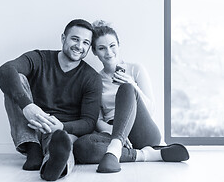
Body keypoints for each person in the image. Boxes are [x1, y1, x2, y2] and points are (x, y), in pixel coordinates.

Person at [73, 21, 189, 173]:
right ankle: (147, 154)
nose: (109, 52)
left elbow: (151, 110)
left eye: (112, 46)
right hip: (113, 132)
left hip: (142, 129)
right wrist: (118, 134)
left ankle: (114, 149)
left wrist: (133, 85)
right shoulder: (95, 80)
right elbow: (98, 120)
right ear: (94, 52)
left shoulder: (136, 69)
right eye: (102, 48)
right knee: (81, 147)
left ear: (119, 45)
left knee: (126, 89)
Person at [0, 19, 102, 181]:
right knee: (14, 79)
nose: (79, 46)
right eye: (75, 39)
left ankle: (52, 167)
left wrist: (61, 126)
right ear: (63, 38)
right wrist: (28, 106)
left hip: (60, 131)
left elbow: (89, 122)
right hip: (31, 124)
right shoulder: (39, 58)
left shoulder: (91, 78)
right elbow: (4, 70)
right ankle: (33, 149)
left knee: (63, 145)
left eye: (86, 43)